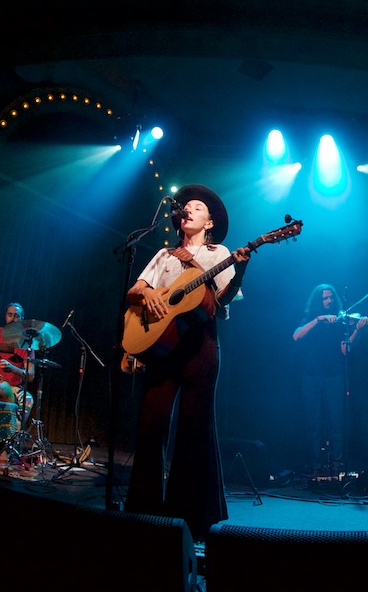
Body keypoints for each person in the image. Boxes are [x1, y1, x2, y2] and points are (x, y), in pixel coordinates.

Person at [124, 184, 250, 541]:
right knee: (151, 425)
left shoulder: (219, 253)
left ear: (209, 223)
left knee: (194, 428)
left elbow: (223, 300)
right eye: (188, 206)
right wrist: (148, 292)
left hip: (200, 345)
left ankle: (190, 518)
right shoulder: (165, 255)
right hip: (162, 345)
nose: (190, 210)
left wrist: (239, 270)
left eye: (198, 208)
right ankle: (143, 514)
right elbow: (136, 289)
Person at [292, 284, 368, 475]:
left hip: (334, 376)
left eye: (330, 298)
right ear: (318, 301)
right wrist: (318, 320)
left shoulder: (340, 322)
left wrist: (357, 330)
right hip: (311, 377)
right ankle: (315, 464)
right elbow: (296, 336)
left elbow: (345, 350)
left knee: (336, 422)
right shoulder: (310, 319)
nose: (328, 301)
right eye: (324, 298)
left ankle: (337, 464)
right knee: (313, 423)